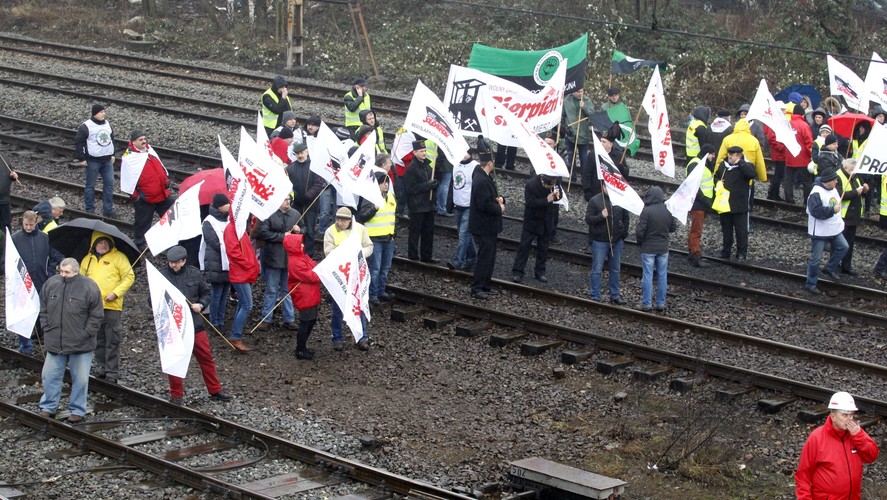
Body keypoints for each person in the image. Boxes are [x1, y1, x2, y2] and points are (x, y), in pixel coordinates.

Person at [160, 246, 232, 405]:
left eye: (176, 263)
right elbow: (153, 301)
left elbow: (206, 293)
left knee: (206, 358)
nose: (173, 265)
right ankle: (176, 394)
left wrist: (200, 304)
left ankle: (215, 389)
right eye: (171, 262)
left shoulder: (194, 273)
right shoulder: (161, 276)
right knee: (174, 361)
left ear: (184, 261)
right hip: (173, 327)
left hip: (195, 325)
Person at [37, 259, 100, 425]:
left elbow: (96, 315)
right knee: (49, 376)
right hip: (55, 341)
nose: (63, 275)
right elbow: (43, 306)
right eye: (61, 271)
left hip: (81, 345)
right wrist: (46, 326)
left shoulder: (89, 287)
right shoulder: (51, 283)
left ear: (76, 271)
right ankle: (48, 407)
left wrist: (85, 333)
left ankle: (77, 410)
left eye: (67, 272)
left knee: (81, 379)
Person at [795, 391, 879, 499]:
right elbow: (803, 475)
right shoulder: (817, 438)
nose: (849, 419)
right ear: (833, 416)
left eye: (851, 415)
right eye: (844, 415)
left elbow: (872, 456)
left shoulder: (856, 434)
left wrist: (859, 436)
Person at [79, 232, 134, 384]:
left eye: (106, 242)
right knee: (97, 338)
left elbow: (129, 277)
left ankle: (112, 372)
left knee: (112, 339)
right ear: (94, 244)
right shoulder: (87, 260)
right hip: (92, 307)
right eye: (100, 242)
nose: (103, 245)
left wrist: (116, 293)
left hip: (112, 306)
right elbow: (79, 279)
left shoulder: (119, 257)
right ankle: (101, 368)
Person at [12, 211, 64, 354]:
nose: (28, 227)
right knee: (23, 314)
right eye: (26, 224)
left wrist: (50, 271)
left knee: (44, 313)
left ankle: (45, 343)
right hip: (22, 284)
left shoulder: (45, 238)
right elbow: (9, 261)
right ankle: (25, 346)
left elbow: (55, 256)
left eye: (31, 224)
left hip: (43, 281)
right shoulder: (15, 239)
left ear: (36, 222)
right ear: (22, 222)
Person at [324, 207, 373, 351]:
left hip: (357, 275)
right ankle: (337, 338)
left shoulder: (360, 229)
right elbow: (328, 251)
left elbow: (369, 246)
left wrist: (358, 254)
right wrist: (345, 255)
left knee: (360, 306)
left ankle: (361, 337)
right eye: (338, 219)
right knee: (338, 308)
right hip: (340, 276)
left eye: (343, 220)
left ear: (349, 220)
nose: (340, 223)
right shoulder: (330, 231)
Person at [256, 196, 300, 331]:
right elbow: (263, 233)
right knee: (271, 289)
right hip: (273, 257)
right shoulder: (268, 214)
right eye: (285, 199)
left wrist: (299, 230)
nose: (288, 201)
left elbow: (304, 230)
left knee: (287, 290)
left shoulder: (296, 214)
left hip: (289, 258)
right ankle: (266, 317)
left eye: (289, 199)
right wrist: (283, 237)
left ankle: (289, 318)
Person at [125, 130, 175, 251]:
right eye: (140, 140)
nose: (144, 141)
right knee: (142, 222)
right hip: (146, 198)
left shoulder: (149, 150)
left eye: (144, 139)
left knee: (172, 216)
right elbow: (128, 180)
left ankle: (172, 238)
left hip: (162, 195)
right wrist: (137, 197)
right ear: (133, 142)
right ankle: (140, 243)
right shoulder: (129, 158)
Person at [469, 140, 504, 299]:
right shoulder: (481, 180)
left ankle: (485, 284)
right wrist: (499, 208)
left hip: (489, 226)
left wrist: (501, 199)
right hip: (484, 226)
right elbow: (484, 204)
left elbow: (491, 198)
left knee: (490, 256)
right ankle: (477, 287)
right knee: (484, 257)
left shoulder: (483, 176)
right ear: (489, 163)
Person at [804, 168, 849, 294]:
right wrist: (832, 211)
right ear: (828, 181)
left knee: (843, 247)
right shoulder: (816, 193)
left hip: (833, 227)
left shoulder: (832, 189)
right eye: (834, 180)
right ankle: (811, 283)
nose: (836, 181)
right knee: (816, 259)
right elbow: (816, 212)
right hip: (820, 231)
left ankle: (829, 268)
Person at [355, 172, 396, 306]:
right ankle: (372, 294)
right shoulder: (370, 197)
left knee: (385, 268)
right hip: (375, 239)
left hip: (388, 238)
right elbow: (362, 217)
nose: (386, 185)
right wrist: (374, 209)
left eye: (387, 182)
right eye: (383, 182)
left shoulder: (390, 196)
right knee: (375, 269)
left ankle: (380, 291)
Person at [586, 182, 630, 304]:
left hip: (616, 240)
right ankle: (595, 296)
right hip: (600, 241)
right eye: (607, 187)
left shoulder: (619, 199)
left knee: (615, 269)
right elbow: (588, 219)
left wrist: (623, 234)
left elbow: (626, 218)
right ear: (603, 187)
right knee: (597, 269)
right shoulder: (595, 200)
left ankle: (614, 296)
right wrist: (601, 216)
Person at [512, 174, 560, 283]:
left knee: (543, 248)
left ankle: (540, 272)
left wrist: (557, 195)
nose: (549, 187)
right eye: (548, 185)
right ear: (542, 180)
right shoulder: (531, 185)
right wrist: (546, 200)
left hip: (546, 220)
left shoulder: (555, 181)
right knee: (524, 246)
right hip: (532, 220)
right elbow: (530, 203)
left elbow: (559, 196)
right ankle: (518, 271)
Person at [636, 187, 677, 311]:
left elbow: (640, 231)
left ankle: (647, 304)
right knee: (662, 275)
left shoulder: (646, 211)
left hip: (648, 248)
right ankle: (660, 303)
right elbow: (673, 228)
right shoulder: (667, 211)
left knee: (648, 275)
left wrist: (640, 243)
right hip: (663, 248)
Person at [714, 146, 757, 260]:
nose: (729, 156)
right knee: (726, 230)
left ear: (738, 156)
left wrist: (740, 163)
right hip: (725, 205)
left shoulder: (746, 166)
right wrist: (718, 182)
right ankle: (725, 252)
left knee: (741, 232)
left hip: (739, 206)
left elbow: (752, 174)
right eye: (729, 154)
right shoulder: (724, 165)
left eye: (732, 155)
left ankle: (741, 254)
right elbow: (716, 176)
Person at [74, 104, 115, 217]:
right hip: (93, 160)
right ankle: (90, 210)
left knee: (109, 185)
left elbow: (111, 139)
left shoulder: (107, 124)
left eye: (104, 112)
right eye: (101, 112)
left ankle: (108, 210)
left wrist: (112, 153)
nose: (104, 114)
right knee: (90, 186)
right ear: (95, 113)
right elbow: (78, 142)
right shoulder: (86, 126)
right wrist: (82, 158)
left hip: (107, 160)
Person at [224, 216, 259, 352]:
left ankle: (235, 334)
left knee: (242, 304)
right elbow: (233, 252)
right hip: (241, 273)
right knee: (247, 305)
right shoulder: (232, 229)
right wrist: (250, 264)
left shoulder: (238, 228)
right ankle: (235, 336)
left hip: (244, 272)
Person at [284, 234, 321, 360]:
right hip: (305, 296)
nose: (303, 245)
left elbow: (314, 267)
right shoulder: (295, 261)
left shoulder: (301, 256)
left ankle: (302, 347)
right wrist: (322, 273)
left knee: (311, 321)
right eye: (300, 243)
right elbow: (312, 276)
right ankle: (300, 349)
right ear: (293, 246)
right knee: (305, 323)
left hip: (310, 294)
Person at [403, 139, 439, 263]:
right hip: (417, 206)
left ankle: (426, 256)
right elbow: (410, 189)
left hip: (428, 205)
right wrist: (428, 185)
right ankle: (413, 256)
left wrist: (434, 185)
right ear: (414, 152)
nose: (424, 153)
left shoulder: (427, 166)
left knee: (428, 232)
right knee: (415, 232)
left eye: (425, 151)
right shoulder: (411, 168)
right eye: (421, 151)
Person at [287, 141, 324, 257]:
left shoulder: (314, 167)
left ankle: (309, 255)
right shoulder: (290, 168)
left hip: (311, 204)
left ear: (307, 152)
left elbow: (318, 184)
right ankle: (296, 254)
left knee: (309, 230)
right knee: (296, 229)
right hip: (296, 204)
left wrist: (307, 196)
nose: (300, 155)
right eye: (297, 153)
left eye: (302, 152)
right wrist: (296, 196)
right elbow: (288, 185)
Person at [200, 194, 231, 330]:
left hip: (227, 262)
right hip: (216, 262)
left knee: (225, 293)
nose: (229, 206)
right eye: (227, 204)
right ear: (220, 206)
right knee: (217, 292)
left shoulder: (228, 219)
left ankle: (221, 319)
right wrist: (231, 247)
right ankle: (214, 321)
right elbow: (213, 242)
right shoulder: (209, 221)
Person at [835, 158, 868, 276]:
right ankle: (834, 266)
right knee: (839, 244)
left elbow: (858, 192)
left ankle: (846, 266)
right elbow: (839, 195)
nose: (855, 171)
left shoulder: (854, 176)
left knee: (849, 243)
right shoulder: (838, 176)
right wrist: (856, 192)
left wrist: (864, 190)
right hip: (843, 216)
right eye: (853, 168)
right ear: (846, 167)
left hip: (852, 216)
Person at [447, 149, 478, 271]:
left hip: (469, 206)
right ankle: (472, 258)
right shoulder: (455, 164)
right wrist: (449, 203)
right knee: (465, 235)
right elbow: (452, 184)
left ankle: (457, 261)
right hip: (458, 205)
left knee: (464, 235)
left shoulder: (475, 166)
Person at [686, 145, 715, 268]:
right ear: (706, 153)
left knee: (696, 229)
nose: (713, 156)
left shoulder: (699, 162)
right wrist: (706, 201)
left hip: (700, 203)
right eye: (712, 154)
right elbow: (694, 187)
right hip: (699, 203)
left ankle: (693, 252)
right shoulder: (696, 164)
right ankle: (695, 255)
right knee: (696, 230)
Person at [784, 105, 815, 205]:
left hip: (789, 157)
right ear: (802, 114)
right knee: (807, 181)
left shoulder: (787, 124)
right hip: (802, 158)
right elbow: (809, 143)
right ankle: (806, 201)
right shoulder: (804, 125)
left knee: (788, 180)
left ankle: (789, 200)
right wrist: (812, 155)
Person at [562, 88, 594, 182]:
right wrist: (564, 127)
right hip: (570, 134)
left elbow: (592, 115)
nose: (580, 93)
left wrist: (584, 107)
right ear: (573, 91)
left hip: (583, 135)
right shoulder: (567, 100)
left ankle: (585, 179)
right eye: (578, 91)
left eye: (581, 91)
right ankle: (573, 177)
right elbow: (563, 115)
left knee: (584, 159)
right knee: (571, 158)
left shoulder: (587, 100)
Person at [0, 160, 17, 272]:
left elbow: (10, 172)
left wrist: (13, 176)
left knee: (6, 230)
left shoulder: (3, 159)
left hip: (4, 201)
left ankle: (4, 262)